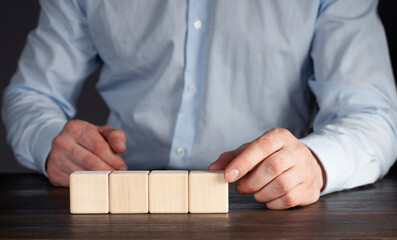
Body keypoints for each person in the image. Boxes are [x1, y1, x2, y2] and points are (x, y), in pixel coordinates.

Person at [3, 0, 397, 210]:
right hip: (121, 206)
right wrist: (50, 141)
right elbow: (32, 95)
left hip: (264, 212)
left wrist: (315, 162)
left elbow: (371, 115)